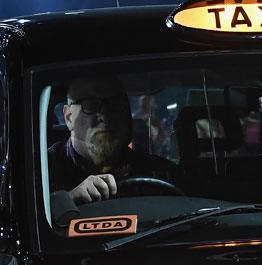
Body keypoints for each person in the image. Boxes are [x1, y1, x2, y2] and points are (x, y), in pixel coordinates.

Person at [48, 76, 178, 205]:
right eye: (92, 104)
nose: (106, 116)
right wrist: (66, 201)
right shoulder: (43, 171)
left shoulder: (158, 172)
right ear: (69, 117)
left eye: (116, 105)